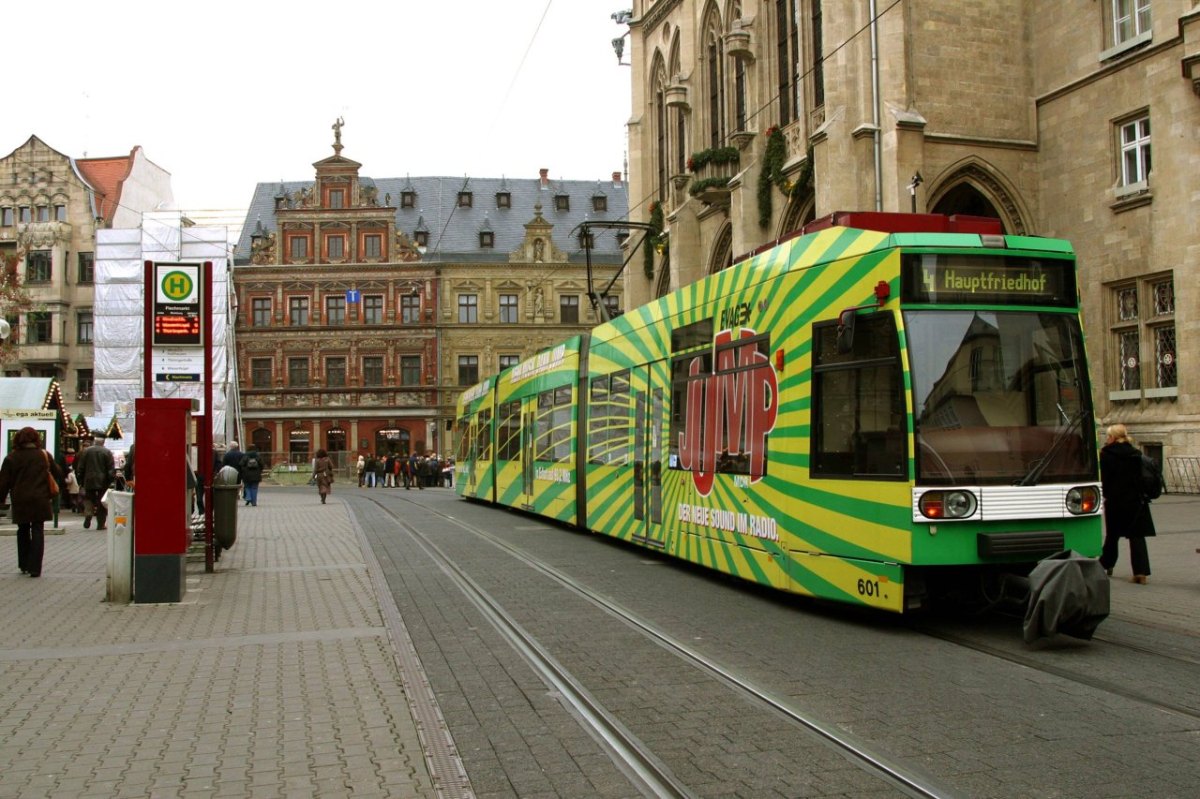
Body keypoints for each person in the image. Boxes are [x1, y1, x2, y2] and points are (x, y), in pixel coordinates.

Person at [0, 426, 64, 577]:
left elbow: (3, 482)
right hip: (40, 498)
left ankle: (24, 564)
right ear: (36, 439)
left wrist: (1, 499)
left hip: (20, 498)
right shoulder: (44, 455)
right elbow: (58, 473)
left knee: (22, 529)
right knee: (37, 530)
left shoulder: (11, 457)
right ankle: (35, 568)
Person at [1099, 423, 1155, 584]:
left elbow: (1105, 479)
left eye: (1108, 436)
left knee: (1112, 535)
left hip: (1116, 501)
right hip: (1136, 501)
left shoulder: (1106, 454)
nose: (1107, 439)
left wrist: (1106, 493)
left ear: (1113, 438)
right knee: (1137, 536)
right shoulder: (1136, 454)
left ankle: (1106, 563)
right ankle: (1140, 572)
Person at [76, 434, 115, 530]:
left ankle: (88, 513)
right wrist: (110, 481)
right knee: (101, 502)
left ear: (94, 442)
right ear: (103, 443)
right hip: (103, 481)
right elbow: (111, 469)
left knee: (88, 498)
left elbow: (80, 468)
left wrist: (80, 481)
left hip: (88, 480)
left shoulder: (86, 451)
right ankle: (100, 524)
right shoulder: (107, 452)